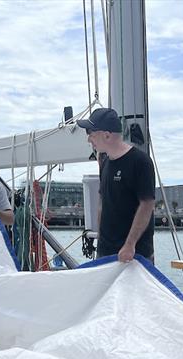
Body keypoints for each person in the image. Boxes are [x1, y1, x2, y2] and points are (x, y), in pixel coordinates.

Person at [78, 108, 155, 262]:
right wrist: (101, 236)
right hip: (105, 252)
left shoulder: (140, 162)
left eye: (91, 135)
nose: (89, 140)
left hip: (133, 255)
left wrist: (129, 245)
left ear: (106, 135)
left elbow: (147, 205)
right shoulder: (105, 163)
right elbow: (103, 200)